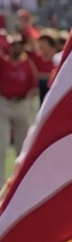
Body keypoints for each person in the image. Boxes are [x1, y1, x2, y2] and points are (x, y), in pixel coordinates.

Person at [0, 34, 37, 166]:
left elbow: (33, 87)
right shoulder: (3, 62)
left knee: (22, 145)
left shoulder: (27, 64)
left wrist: (27, 99)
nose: (16, 47)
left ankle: (20, 180)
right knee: (1, 143)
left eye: (19, 44)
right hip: (4, 103)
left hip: (21, 103)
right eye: (14, 45)